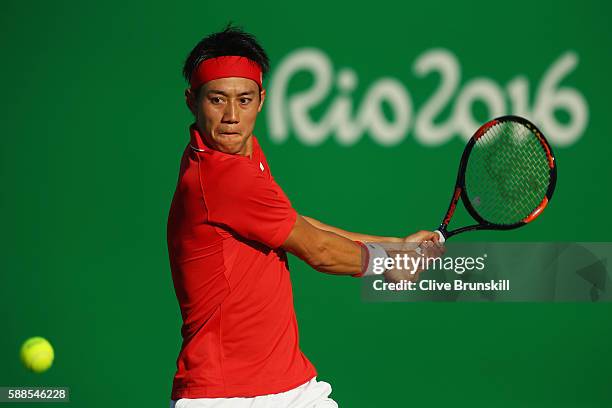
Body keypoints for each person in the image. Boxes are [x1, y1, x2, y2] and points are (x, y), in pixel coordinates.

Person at [167, 24, 443, 408]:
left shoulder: (241, 154)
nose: (231, 115)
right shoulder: (222, 176)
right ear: (191, 100)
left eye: (244, 100)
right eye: (217, 100)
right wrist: (388, 263)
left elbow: (295, 223)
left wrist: (392, 244)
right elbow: (317, 251)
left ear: (261, 100)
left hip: (288, 387)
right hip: (226, 396)